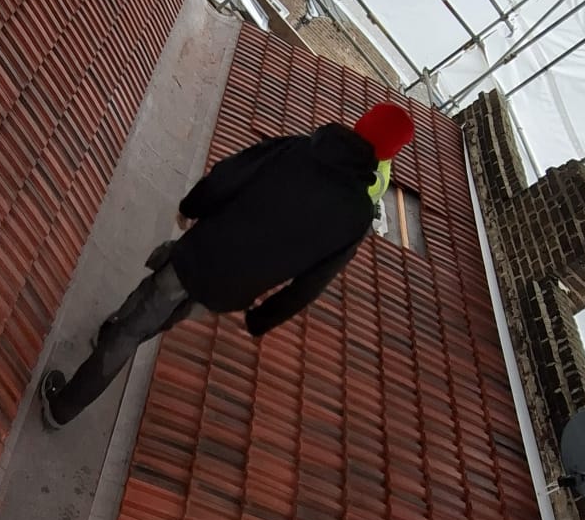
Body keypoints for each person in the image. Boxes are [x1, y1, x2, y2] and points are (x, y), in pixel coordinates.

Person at [39, 99, 415, 429]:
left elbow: (232, 173)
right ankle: (113, 331)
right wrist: (262, 318)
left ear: (361, 123)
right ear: (386, 155)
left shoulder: (302, 150)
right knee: (167, 315)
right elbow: (311, 284)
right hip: (231, 292)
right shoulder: (357, 218)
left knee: (136, 324)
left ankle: (63, 407)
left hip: (201, 256)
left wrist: (192, 206)